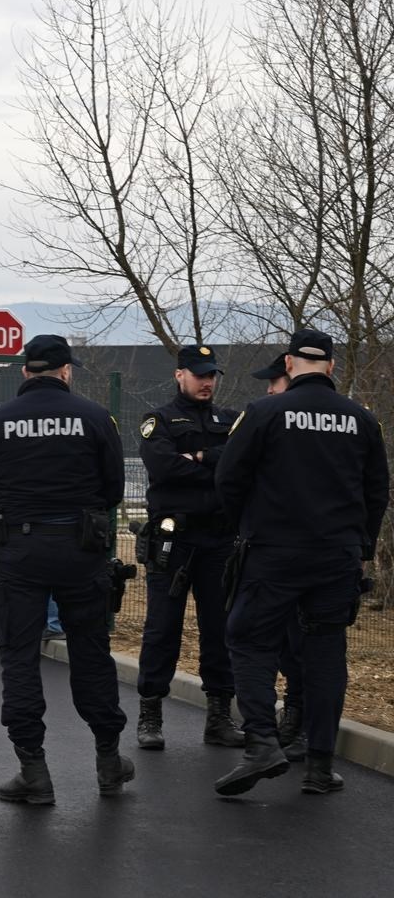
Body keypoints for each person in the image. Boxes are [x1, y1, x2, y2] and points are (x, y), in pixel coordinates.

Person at [213, 329, 389, 797]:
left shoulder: (264, 412)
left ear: (289, 364)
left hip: (273, 551)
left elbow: (228, 479)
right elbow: (376, 493)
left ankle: (262, 745)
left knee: (248, 639)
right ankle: (319, 765)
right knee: (326, 651)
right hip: (336, 557)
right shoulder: (362, 420)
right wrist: (362, 548)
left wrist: (245, 528)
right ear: (331, 367)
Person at [0, 334, 131, 804]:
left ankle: (33, 769)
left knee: (19, 658)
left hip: (18, 551)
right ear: (66, 371)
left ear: (25, 372)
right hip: (82, 549)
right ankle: (108, 760)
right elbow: (115, 488)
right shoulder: (96, 417)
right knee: (91, 654)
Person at [134, 345, 245, 752]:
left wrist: (197, 456)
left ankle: (219, 716)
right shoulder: (158, 420)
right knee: (163, 628)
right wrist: (213, 466)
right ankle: (150, 714)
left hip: (219, 539)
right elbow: (163, 467)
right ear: (179, 375)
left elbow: (238, 462)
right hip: (173, 540)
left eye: (212, 374)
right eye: (199, 374)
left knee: (221, 628)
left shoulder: (231, 420)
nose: (207, 381)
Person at [249, 351, 307, 760]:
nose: (270, 389)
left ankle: (290, 727)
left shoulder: (271, 419)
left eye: (275, 381)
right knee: (292, 640)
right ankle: (298, 727)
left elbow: (232, 477)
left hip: (283, 551)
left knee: (294, 640)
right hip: (316, 552)